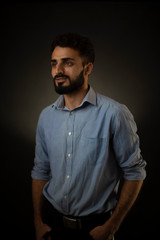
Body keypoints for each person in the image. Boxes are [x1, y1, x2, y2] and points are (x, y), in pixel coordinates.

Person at [31, 33, 146, 240]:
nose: (58, 70)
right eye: (54, 63)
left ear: (88, 68)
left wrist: (111, 226)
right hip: (52, 226)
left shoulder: (114, 114)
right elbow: (41, 170)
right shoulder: (46, 116)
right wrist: (38, 222)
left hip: (96, 230)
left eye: (67, 63)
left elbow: (135, 172)